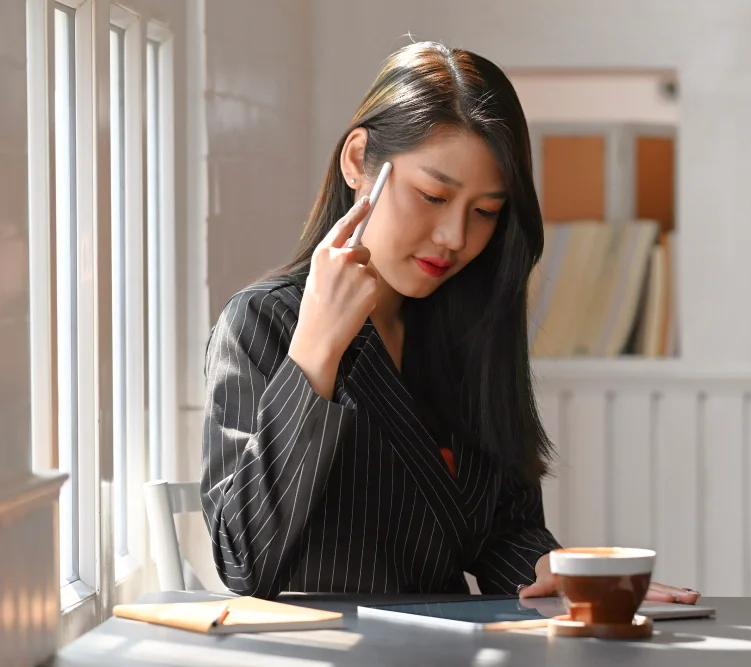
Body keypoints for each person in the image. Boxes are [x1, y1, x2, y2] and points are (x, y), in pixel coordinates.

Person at [199, 41, 701, 605]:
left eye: (486, 211)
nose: (455, 238)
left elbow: (501, 528)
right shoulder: (261, 321)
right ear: (357, 160)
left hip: (448, 647)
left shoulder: (465, 321)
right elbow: (243, 562)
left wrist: (560, 572)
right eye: (433, 195)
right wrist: (316, 351)